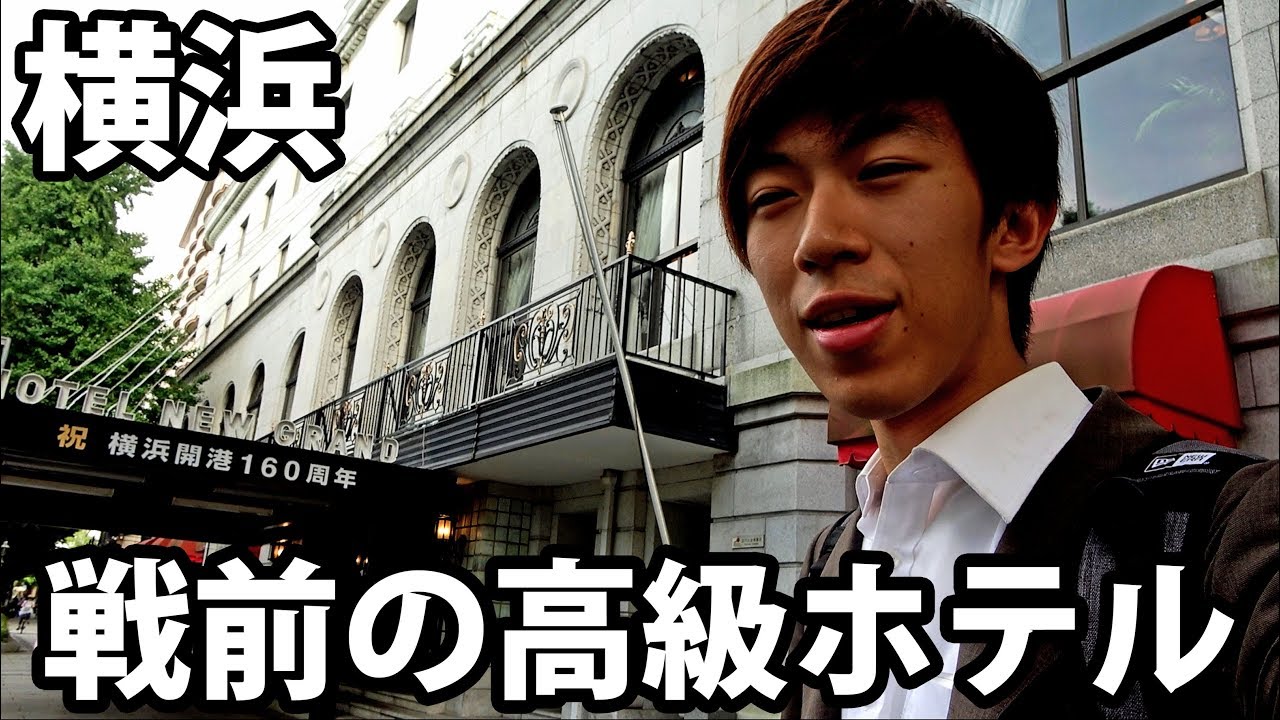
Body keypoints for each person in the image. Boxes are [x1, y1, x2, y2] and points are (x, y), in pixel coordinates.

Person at [716, 1, 1278, 718]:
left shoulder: (1222, 536)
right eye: (773, 197)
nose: (816, 241)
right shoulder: (831, 562)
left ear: (1015, 224)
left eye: (883, 169)